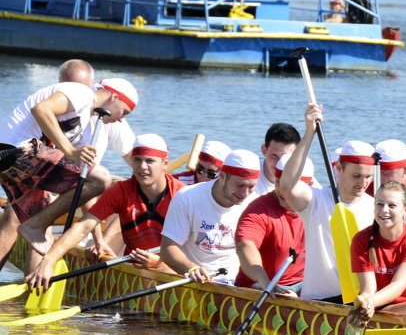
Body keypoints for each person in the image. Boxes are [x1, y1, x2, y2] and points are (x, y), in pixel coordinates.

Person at [0, 77, 138, 267]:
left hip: (11, 165)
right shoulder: (81, 93)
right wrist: (69, 151)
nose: (121, 119)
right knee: (102, 177)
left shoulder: (87, 124)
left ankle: (35, 286)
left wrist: (98, 239)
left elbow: (83, 186)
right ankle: (34, 226)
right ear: (114, 97)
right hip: (15, 151)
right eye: (125, 112)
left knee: (44, 239)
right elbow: (41, 109)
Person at [25, 133, 181, 291]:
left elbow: (200, 246)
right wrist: (48, 261)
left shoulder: (182, 195)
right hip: (137, 271)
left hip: (178, 271)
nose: (142, 167)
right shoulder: (121, 191)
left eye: (150, 161)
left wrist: (159, 262)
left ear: (165, 163)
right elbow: (82, 228)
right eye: (137, 160)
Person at [278, 104, 375, 301]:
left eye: (368, 177)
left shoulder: (375, 206)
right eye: (356, 176)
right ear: (338, 168)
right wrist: (309, 134)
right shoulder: (317, 200)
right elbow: (287, 186)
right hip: (319, 300)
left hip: (361, 299)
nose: (363, 183)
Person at [160, 149, 260, 284]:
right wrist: (191, 269)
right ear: (222, 176)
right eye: (240, 185)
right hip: (197, 281)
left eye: (251, 186)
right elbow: (168, 249)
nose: (245, 193)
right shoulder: (187, 197)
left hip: (236, 282)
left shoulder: (255, 204)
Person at [348, 181, 406, 324]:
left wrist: (368, 303)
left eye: (392, 205)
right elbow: (368, 289)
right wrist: (366, 304)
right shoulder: (361, 239)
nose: (384, 210)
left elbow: (399, 284)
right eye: (380, 204)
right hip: (378, 310)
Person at [233, 152, 313, 295]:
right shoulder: (259, 210)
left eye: (289, 187)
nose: (282, 191)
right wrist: (264, 280)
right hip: (261, 285)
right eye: (278, 183)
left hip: (303, 283)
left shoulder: (320, 206)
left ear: (309, 186)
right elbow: (245, 246)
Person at [255, 122, 301, 195]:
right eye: (274, 156)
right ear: (264, 150)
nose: (279, 163)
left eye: (285, 158)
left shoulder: (305, 178)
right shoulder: (249, 175)